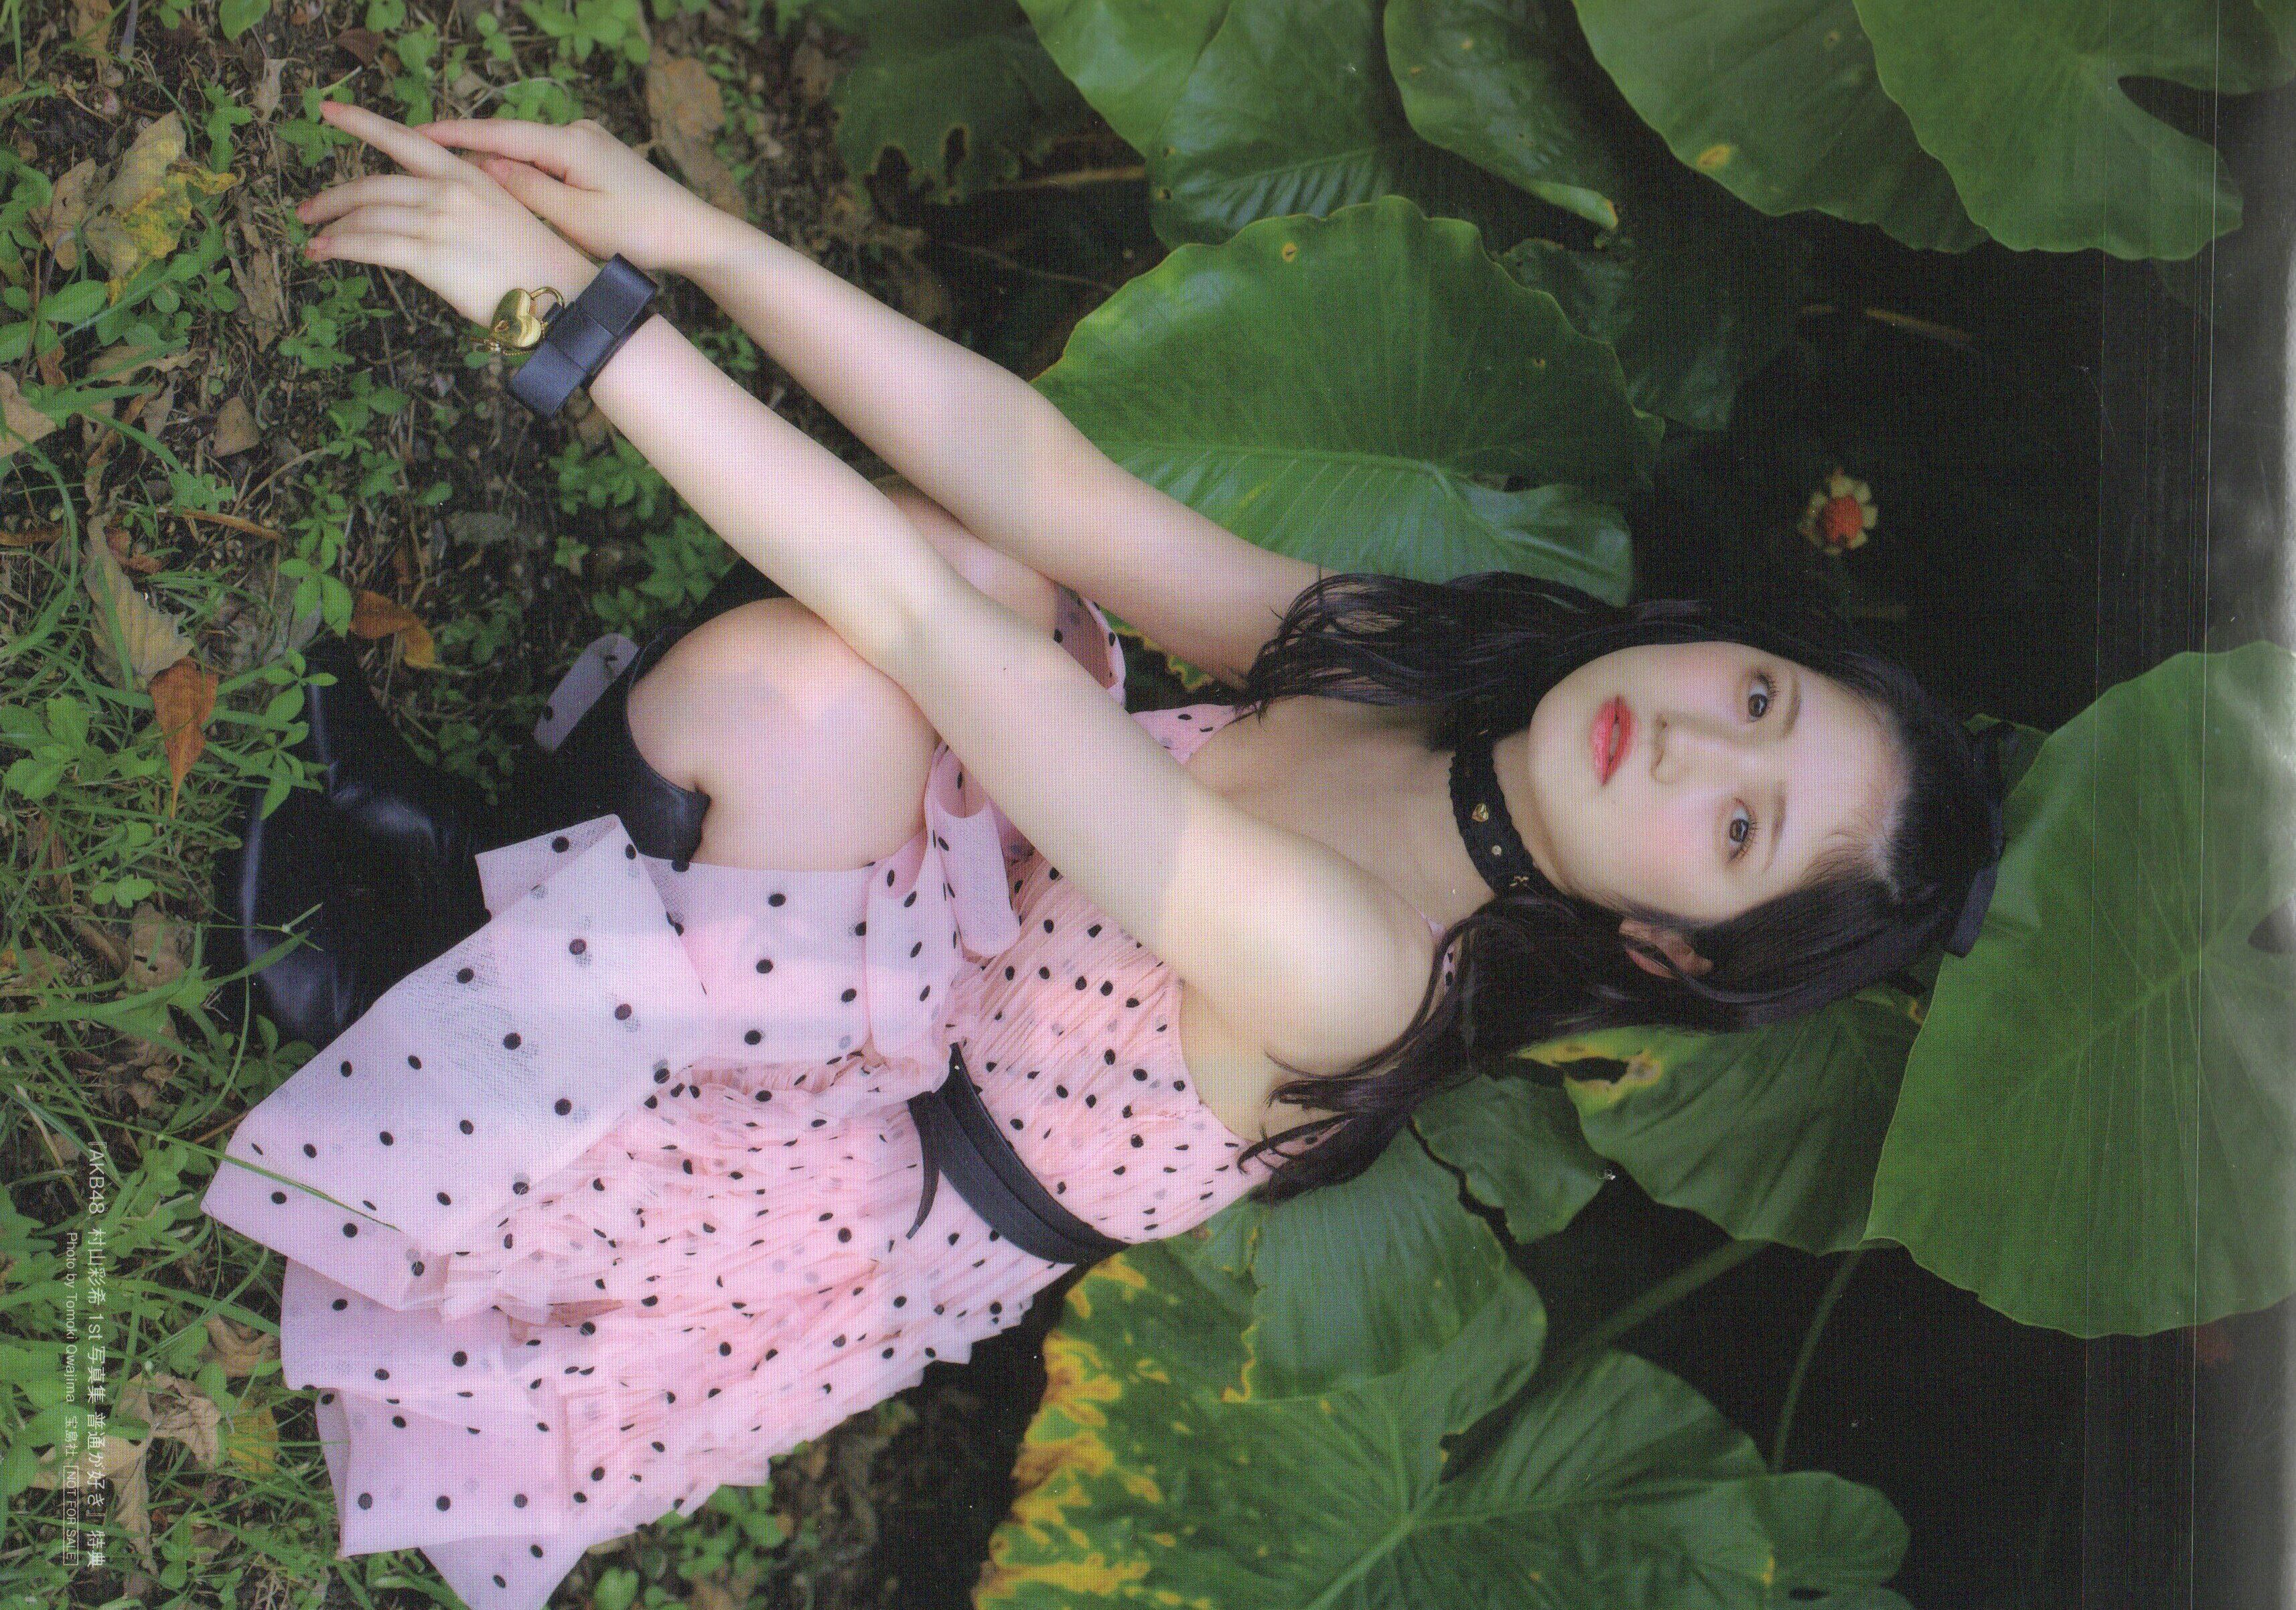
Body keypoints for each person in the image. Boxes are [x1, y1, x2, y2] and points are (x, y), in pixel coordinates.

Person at [198, 100, 2005, 1609]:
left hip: (806, 1195)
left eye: (1741, 826)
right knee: (1001, 563)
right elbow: (1044, 478)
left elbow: (922, 642)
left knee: (825, 694)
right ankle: (494, 917)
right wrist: (702, 240)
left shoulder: (1358, 966)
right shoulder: (1430, 685)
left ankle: (417, 1014)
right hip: (944, 978)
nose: (1693, 741)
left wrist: (565, 318)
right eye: (1758, 697)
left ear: (1677, 946)